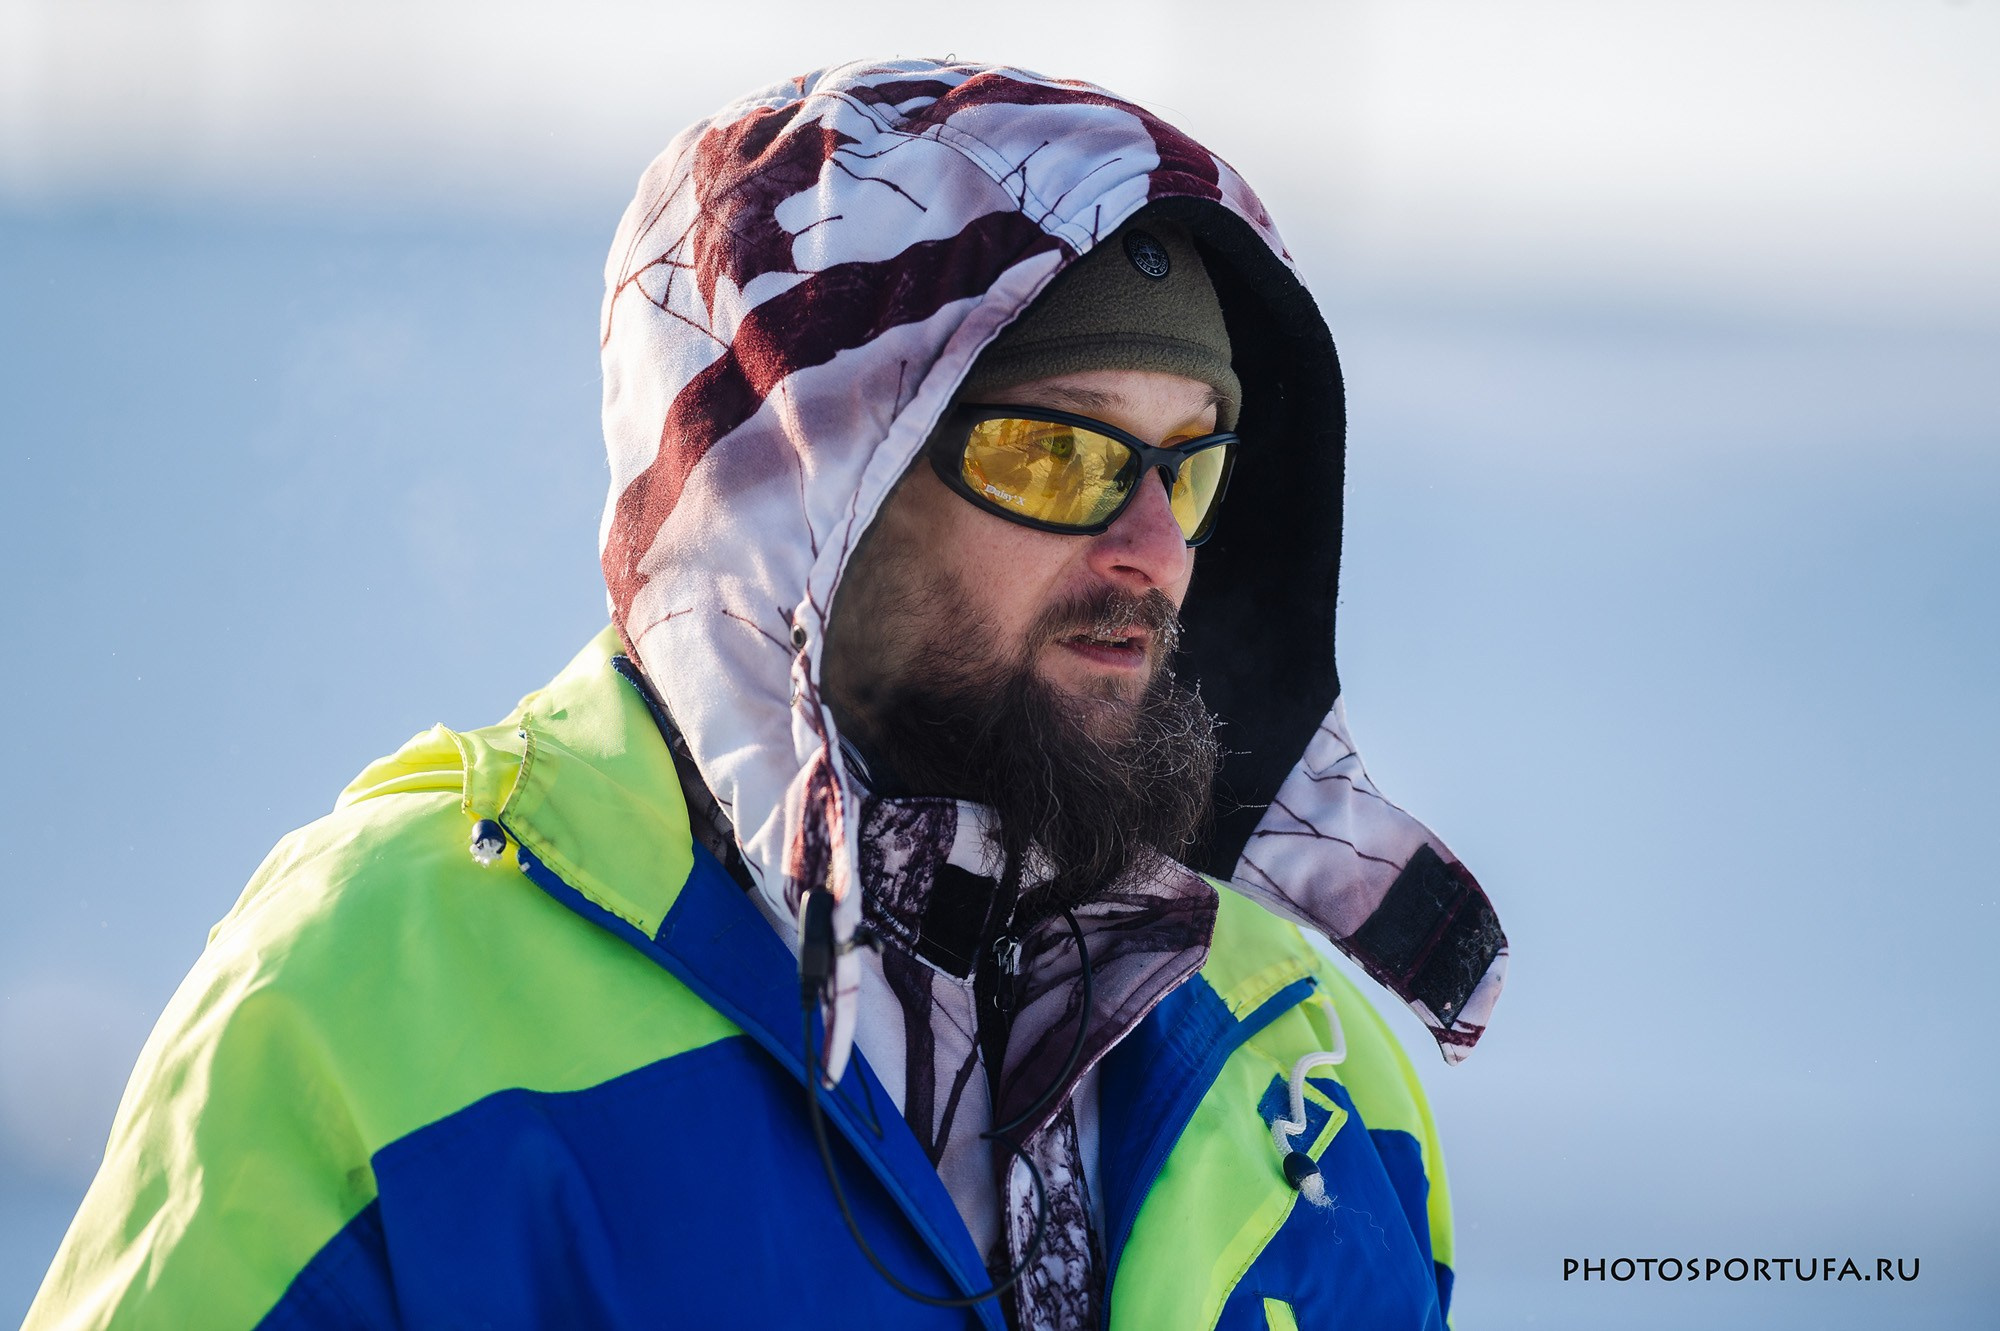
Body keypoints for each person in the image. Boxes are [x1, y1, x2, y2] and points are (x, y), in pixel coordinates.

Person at [27, 58, 1507, 1331]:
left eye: (1191, 466)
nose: (1154, 550)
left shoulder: (1308, 1068)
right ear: (805, 496)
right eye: (1056, 455)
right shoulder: (374, 997)